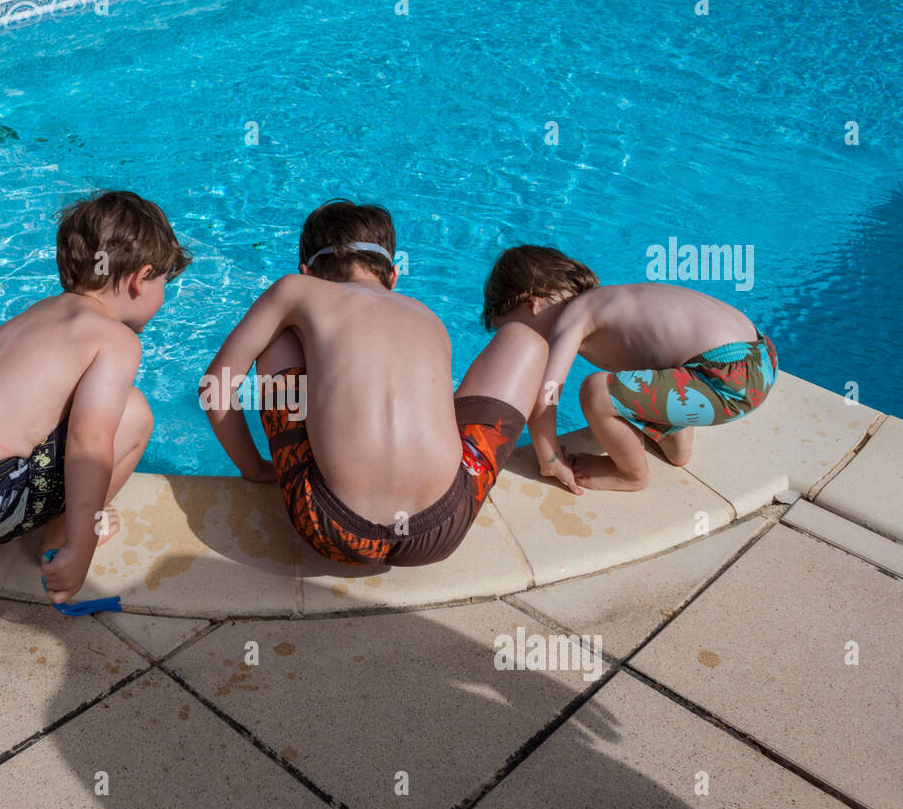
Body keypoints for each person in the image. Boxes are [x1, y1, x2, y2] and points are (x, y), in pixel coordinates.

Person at [202, 199, 547, 566]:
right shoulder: (426, 315)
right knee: (525, 341)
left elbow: (216, 387)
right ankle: (550, 455)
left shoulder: (295, 290)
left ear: (306, 271)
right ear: (394, 276)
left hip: (329, 525)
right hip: (444, 527)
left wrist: (253, 468)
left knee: (276, 335)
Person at [0, 190, 191, 603]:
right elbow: (87, 443)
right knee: (133, 414)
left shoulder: (41, 312)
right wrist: (81, 545)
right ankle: (58, 538)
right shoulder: (117, 340)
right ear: (140, 280)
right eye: (165, 283)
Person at [482, 245, 777, 493]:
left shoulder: (574, 316)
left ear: (532, 304)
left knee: (596, 391)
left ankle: (631, 475)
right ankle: (678, 446)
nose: (523, 343)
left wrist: (550, 458)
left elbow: (546, 395)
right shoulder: (611, 302)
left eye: (513, 331)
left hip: (729, 381)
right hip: (760, 356)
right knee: (640, 377)